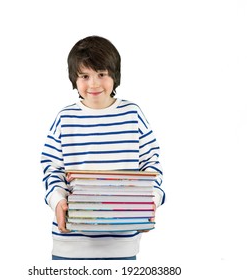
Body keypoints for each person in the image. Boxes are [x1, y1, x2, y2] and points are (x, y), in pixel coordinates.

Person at [41, 35, 165, 260]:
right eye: (85, 76)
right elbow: (52, 170)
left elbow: (151, 163)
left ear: (114, 76)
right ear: (74, 79)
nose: (94, 84)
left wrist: (152, 200)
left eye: (101, 74)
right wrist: (57, 200)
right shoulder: (65, 118)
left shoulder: (133, 115)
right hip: (71, 241)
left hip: (123, 243)